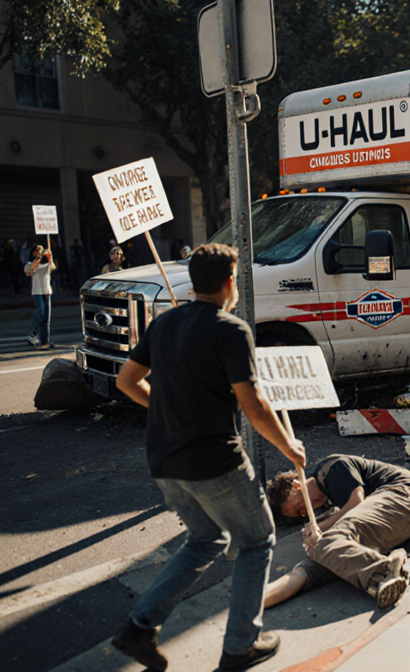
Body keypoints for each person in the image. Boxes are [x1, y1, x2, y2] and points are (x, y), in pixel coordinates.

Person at [111, 243, 305, 671]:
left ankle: (139, 628)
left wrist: (167, 411)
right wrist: (288, 447)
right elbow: (253, 406)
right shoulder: (231, 330)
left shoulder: (163, 325)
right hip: (215, 461)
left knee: (206, 539)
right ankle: (239, 649)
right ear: (229, 282)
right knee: (257, 542)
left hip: (163, 461)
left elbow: (127, 381)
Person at [262, 453, 410, 610]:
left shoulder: (333, 467)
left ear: (297, 486)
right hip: (407, 512)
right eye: (300, 515)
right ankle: (256, 603)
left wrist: (320, 529)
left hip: (405, 493)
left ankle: (386, 571)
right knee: (321, 558)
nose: (304, 513)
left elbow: (357, 502)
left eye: (299, 508)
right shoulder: (326, 499)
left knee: (327, 543)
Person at [24, 244, 56, 349]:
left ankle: (45, 340)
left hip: (47, 291)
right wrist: (37, 258)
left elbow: (53, 267)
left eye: (40, 251)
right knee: (40, 312)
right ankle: (33, 333)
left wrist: (50, 258)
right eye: (36, 251)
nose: (38, 252)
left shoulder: (46, 265)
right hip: (37, 291)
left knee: (46, 317)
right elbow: (31, 269)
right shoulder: (30, 264)